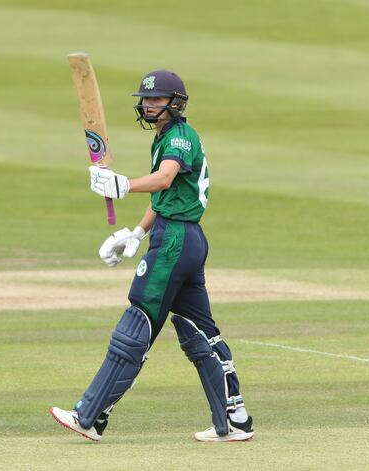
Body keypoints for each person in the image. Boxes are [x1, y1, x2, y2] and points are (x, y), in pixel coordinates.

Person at [50, 70, 253, 442]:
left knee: (137, 323)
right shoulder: (167, 137)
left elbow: (164, 178)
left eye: (157, 99)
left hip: (176, 240)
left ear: (175, 103)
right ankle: (234, 420)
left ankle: (89, 416)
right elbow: (167, 197)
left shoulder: (179, 138)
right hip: (183, 237)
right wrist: (137, 232)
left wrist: (123, 184)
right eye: (146, 99)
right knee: (200, 332)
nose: (148, 105)